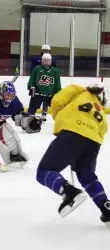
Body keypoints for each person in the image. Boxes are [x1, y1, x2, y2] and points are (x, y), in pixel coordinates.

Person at [36, 83, 110, 223]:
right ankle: (106, 206)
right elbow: (104, 129)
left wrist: (62, 120)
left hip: (73, 132)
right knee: (87, 176)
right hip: (94, 142)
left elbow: (57, 100)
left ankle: (69, 192)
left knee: (44, 171)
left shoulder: (78, 90)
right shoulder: (99, 109)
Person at [30, 44, 57, 121]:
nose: (46, 52)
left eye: (47, 50)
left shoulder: (53, 60)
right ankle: (32, 113)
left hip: (48, 81)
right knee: (35, 97)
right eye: (44, 50)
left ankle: (44, 112)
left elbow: (54, 71)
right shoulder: (36, 59)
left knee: (47, 96)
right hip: (38, 81)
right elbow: (32, 70)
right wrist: (32, 81)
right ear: (41, 50)